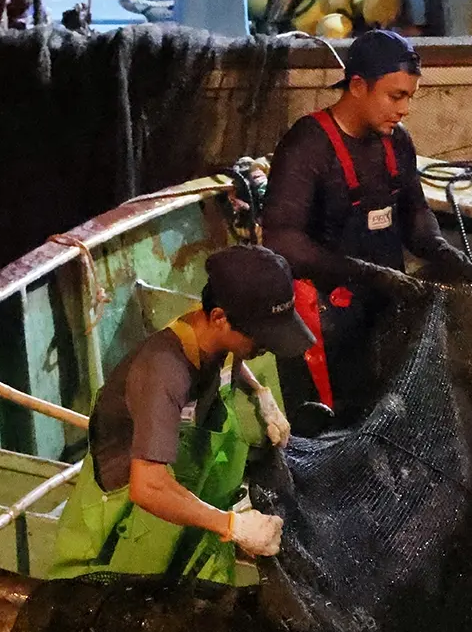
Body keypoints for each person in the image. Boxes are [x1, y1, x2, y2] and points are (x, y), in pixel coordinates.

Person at [49, 245, 315, 583]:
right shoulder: (162, 371)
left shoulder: (210, 332)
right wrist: (231, 526)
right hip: (129, 531)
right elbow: (148, 488)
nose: (268, 345)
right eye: (261, 336)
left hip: (189, 506)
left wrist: (260, 395)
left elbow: (234, 357)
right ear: (219, 317)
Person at [262, 28, 463, 424]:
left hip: (384, 309)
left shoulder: (396, 142)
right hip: (325, 321)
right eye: (395, 96)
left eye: (409, 97)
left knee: (388, 412)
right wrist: (361, 272)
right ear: (357, 86)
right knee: (335, 425)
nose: (404, 109)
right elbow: (281, 238)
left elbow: (415, 216)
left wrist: (442, 251)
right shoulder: (308, 144)